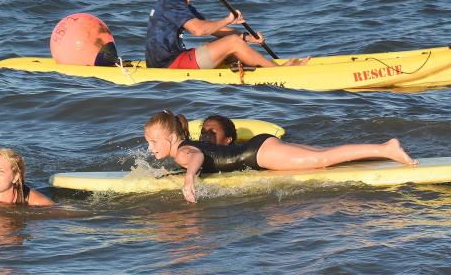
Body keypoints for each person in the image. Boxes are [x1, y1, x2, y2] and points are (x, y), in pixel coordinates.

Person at [144, 110, 417, 203]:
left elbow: (195, 158)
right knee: (323, 154)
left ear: (170, 138)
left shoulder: (182, 152)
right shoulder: (183, 143)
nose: (150, 147)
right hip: (259, 148)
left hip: (259, 155)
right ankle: (377, 153)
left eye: (154, 141)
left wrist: (189, 177)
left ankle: (386, 149)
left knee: (321, 160)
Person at [145, 0, 309, 69]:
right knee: (232, 43)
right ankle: (279, 72)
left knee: (233, 52)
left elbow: (213, 28)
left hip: (176, 58)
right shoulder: (171, 1)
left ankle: (265, 69)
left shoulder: (181, 3)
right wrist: (228, 19)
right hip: (167, 65)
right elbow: (199, 30)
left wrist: (247, 38)